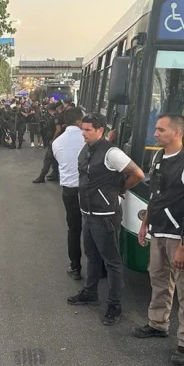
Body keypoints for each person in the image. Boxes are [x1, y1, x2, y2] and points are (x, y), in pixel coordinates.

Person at [133, 114, 184, 366]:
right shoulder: (158, 157)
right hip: (159, 231)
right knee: (159, 281)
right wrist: (145, 224)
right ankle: (158, 324)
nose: (155, 133)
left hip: (180, 237)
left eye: (160, 129)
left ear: (176, 132)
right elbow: (155, 194)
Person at [67, 113, 145, 325]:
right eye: (82, 129)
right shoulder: (89, 148)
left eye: (88, 130)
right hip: (88, 213)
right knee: (92, 256)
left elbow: (138, 174)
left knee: (112, 262)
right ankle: (90, 293)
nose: (83, 133)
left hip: (105, 216)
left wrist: (119, 190)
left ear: (100, 130)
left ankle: (114, 305)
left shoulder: (112, 153)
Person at [52, 107, 86, 279]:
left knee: (74, 229)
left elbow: (60, 162)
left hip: (69, 191)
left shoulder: (57, 142)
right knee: (93, 228)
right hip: (88, 190)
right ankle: (100, 269)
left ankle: (75, 267)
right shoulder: (87, 138)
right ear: (80, 121)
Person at [32, 103, 61, 183]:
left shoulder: (56, 117)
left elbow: (58, 129)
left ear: (49, 110)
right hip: (55, 141)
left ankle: (42, 177)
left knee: (47, 160)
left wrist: (53, 139)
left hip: (54, 141)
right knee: (54, 160)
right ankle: (55, 174)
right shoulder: (57, 116)